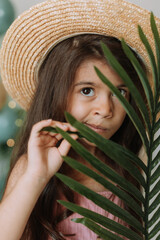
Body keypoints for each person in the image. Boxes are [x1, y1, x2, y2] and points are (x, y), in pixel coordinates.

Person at [0, 0, 157, 239]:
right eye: (87, 90)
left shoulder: (130, 170)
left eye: (120, 93)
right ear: (57, 93)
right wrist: (37, 176)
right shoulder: (32, 166)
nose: (105, 109)